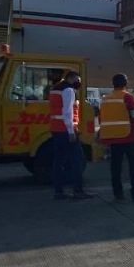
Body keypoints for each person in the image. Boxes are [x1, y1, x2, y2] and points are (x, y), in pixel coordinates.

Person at [48, 71, 93, 200]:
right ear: (71, 78)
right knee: (77, 160)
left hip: (56, 129)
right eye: (77, 80)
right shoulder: (68, 90)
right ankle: (78, 191)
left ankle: (58, 192)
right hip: (66, 130)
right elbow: (67, 112)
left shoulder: (55, 89)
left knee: (58, 161)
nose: (78, 82)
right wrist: (71, 131)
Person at [100, 74, 134, 202]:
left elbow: (101, 118)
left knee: (115, 168)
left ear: (113, 84)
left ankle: (118, 194)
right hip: (129, 137)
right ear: (126, 83)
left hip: (113, 138)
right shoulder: (128, 97)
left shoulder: (105, 99)